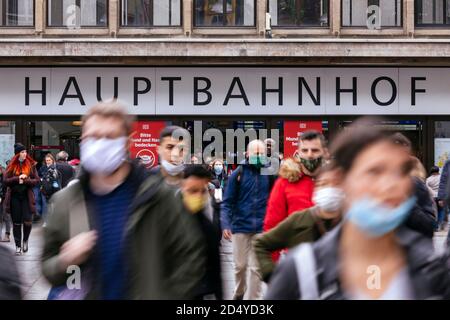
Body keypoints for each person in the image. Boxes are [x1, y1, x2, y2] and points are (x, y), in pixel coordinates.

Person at [266, 118, 450, 300]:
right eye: (374, 172)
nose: (389, 185)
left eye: (400, 173)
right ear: (342, 181)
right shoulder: (303, 271)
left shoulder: (431, 268)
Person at [42, 102, 206, 300]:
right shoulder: (65, 201)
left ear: (126, 143)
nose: (100, 143)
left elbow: (191, 256)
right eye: (93, 136)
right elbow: (47, 265)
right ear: (83, 139)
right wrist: (65, 260)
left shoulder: (156, 196)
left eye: (109, 136)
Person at [253, 163, 342, 282]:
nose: (330, 189)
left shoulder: (355, 223)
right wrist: (275, 277)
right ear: (316, 189)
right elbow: (265, 238)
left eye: (336, 184)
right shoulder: (298, 220)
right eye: (324, 184)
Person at [264, 130, 327, 261]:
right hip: (295, 258)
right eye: (305, 150)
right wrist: (274, 271)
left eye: (315, 150)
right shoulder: (285, 182)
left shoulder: (335, 181)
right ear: (298, 153)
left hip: (328, 258)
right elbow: (272, 226)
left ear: (324, 152)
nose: (309, 155)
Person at [221, 139, 272, 300]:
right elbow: (227, 202)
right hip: (240, 226)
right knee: (240, 266)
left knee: (256, 269)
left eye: (261, 153)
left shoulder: (270, 173)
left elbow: (275, 200)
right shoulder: (238, 173)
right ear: (247, 154)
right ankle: (239, 292)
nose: (258, 156)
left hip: (261, 228)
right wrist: (226, 224)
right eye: (255, 153)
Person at [180, 165, 222, 300]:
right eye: (192, 191)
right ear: (181, 188)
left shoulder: (208, 227)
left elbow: (216, 271)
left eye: (202, 191)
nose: (198, 196)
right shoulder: (168, 220)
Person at [390, 133, 436, 238]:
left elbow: (429, 225)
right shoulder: (373, 184)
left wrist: (407, 203)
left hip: (411, 248)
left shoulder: (415, 184)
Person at [4, 143, 39, 255]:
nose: (25, 154)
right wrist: (16, 178)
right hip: (14, 197)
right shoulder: (11, 165)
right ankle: (18, 246)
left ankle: (25, 240)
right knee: (17, 223)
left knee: (28, 221)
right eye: (22, 152)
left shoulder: (31, 165)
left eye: (25, 152)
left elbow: (36, 181)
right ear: (18, 154)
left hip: (26, 197)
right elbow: (5, 181)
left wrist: (26, 180)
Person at [427, 166, 445, 231]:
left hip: (433, 197)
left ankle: (435, 226)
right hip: (441, 196)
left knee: (434, 212)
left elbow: (427, 188)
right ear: (438, 171)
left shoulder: (428, 179)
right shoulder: (441, 178)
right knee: (441, 210)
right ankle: (440, 224)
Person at [0, 164, 11, 242]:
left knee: (6, 216)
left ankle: (7, 235)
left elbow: (8, 188)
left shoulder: (5, 175)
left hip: (5, 198)